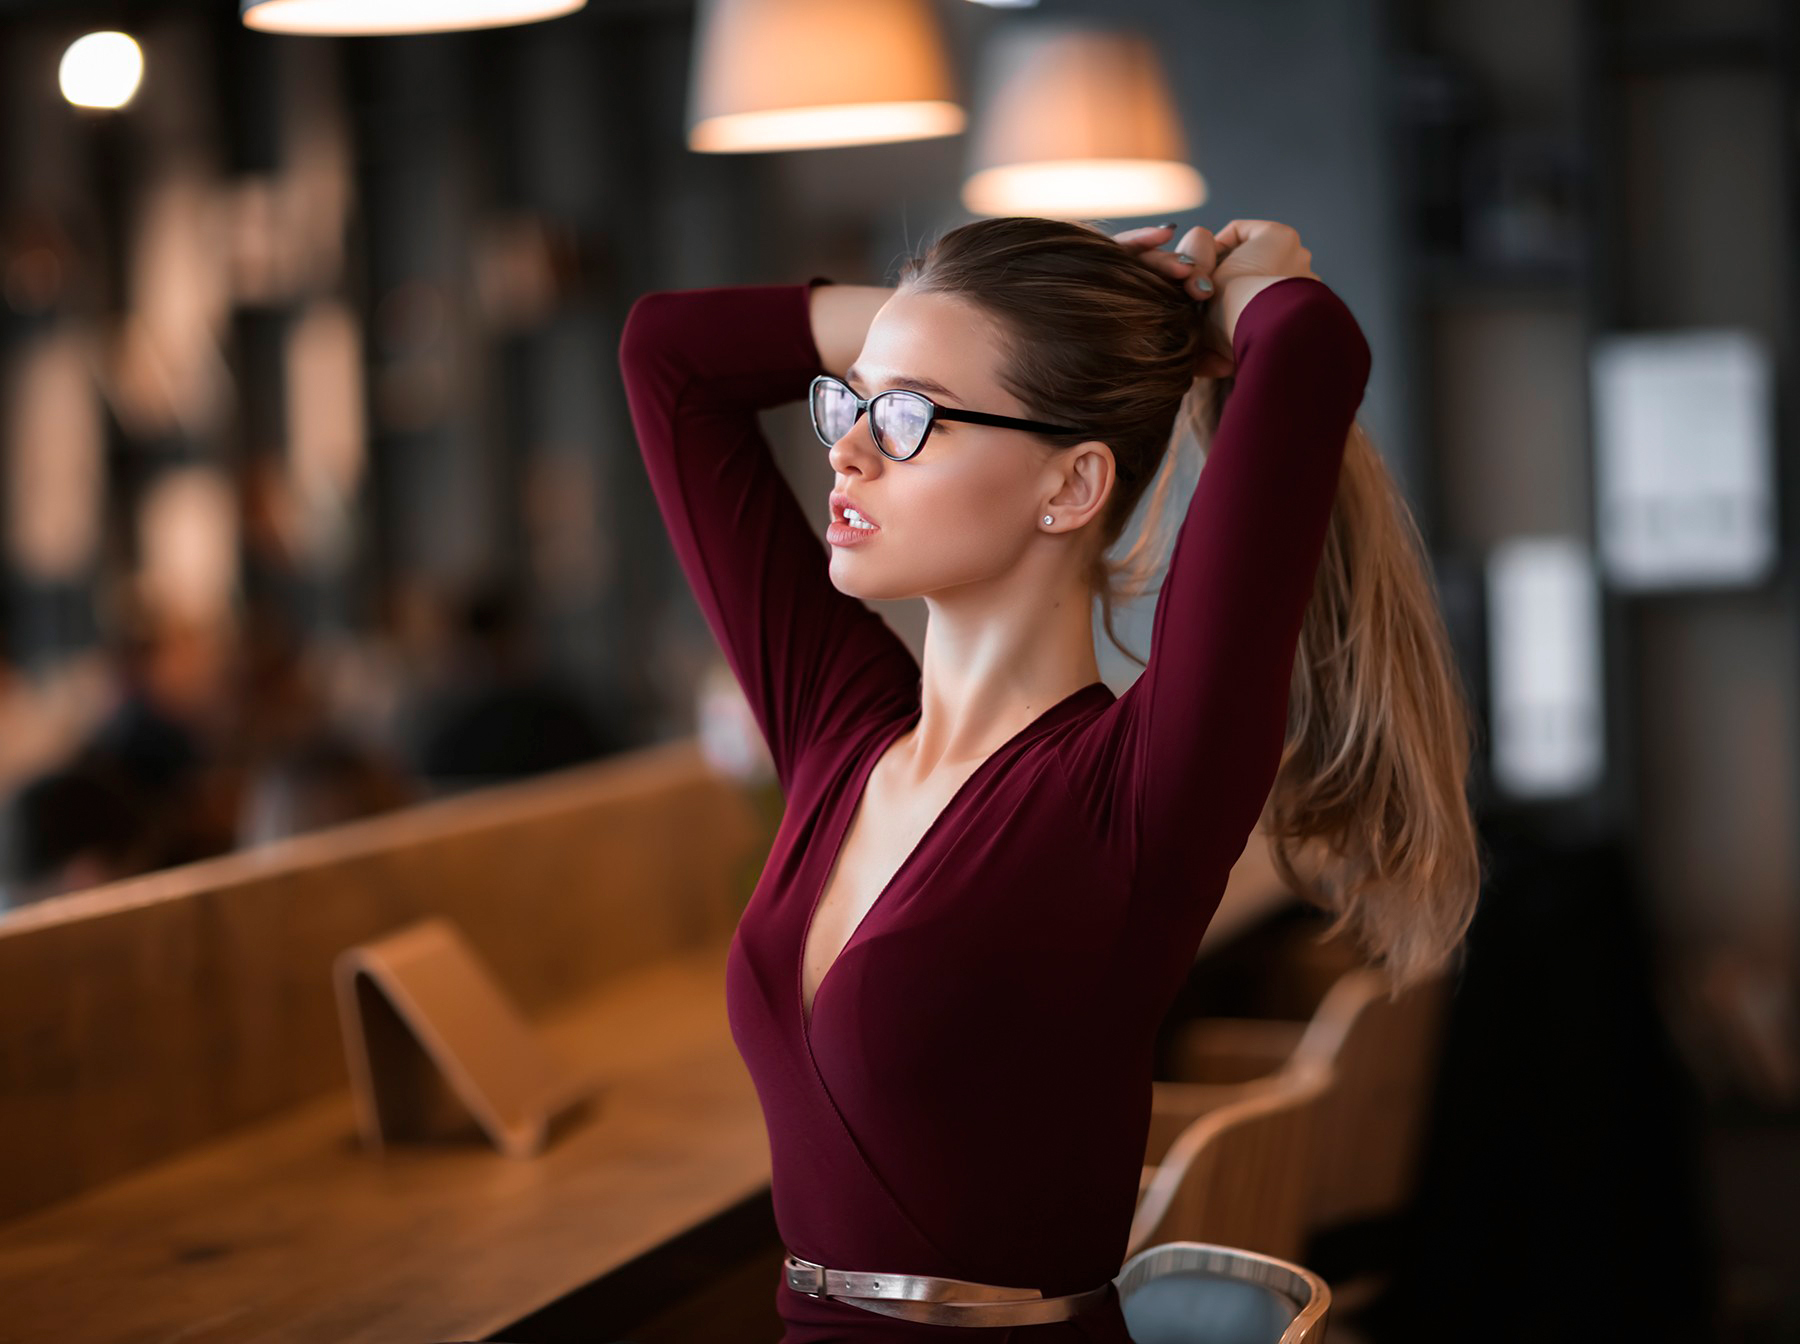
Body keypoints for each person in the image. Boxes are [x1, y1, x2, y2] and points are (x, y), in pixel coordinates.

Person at [617, 215, 1483, 1341]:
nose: (846, 449)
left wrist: (1245, 296)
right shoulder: (840, 737)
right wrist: (935, 322)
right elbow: (665, 356)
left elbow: (1309, 350)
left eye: (911, 417)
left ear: (1072, 485)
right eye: (851, 401)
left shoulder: (1138, 792)